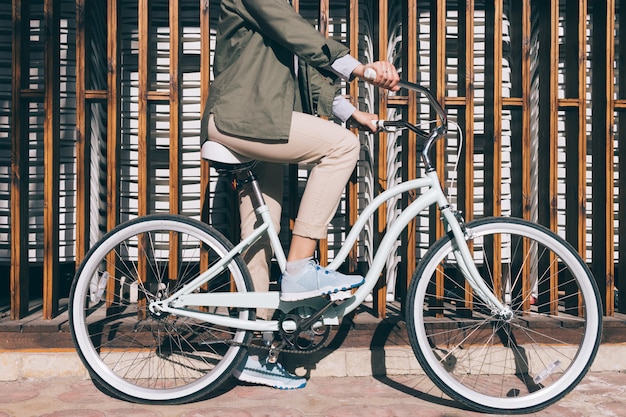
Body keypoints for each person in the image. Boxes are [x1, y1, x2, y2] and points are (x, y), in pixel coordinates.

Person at [202, 0, 400, 390]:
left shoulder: (278, 13)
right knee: (343, 148)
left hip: (261, 122)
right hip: (243, 120)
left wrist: (352, 113)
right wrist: (362, 69)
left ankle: (251, 352)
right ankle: (298, 271)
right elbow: (298, 35)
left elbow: (307, 73)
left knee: (259, 235)